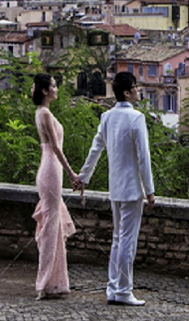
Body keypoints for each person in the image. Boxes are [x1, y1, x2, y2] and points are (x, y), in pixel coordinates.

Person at [74, 72, 155, 307]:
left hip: (115, 186)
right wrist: (149, 190)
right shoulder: (136, 118)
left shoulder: (107, 117)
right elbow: (143, 158)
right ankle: (123, 290)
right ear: (127, 92)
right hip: (132, 189)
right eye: (136, 88)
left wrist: (84, 176)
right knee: (127, 240)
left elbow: (95, 149)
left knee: (118, 239)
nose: (139, 91)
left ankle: (114, 287)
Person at [31, 73, 80, 300]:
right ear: (45, 90)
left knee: (54, 224)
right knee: (51, 227)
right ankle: (44, 281)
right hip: (51, 169)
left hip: (48, 168)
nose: (56, 88)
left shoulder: (41, 113)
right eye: (53, 85)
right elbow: (57, 149)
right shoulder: (46, 114)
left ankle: (52, 282)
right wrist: (72, 174)